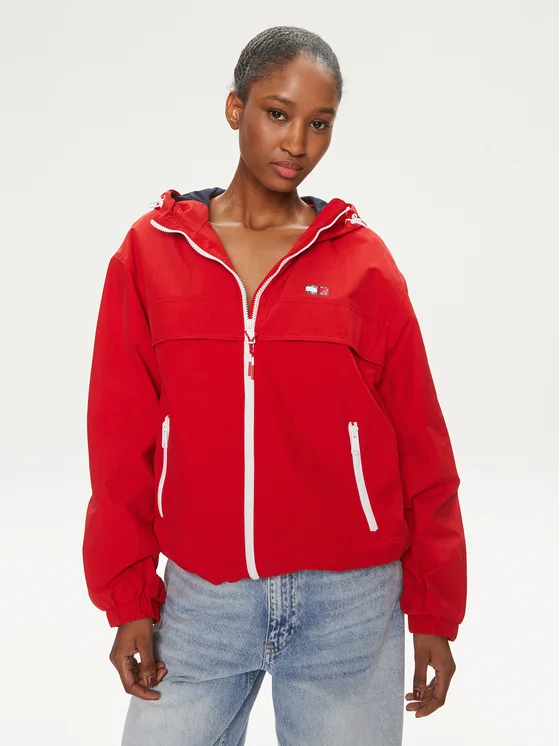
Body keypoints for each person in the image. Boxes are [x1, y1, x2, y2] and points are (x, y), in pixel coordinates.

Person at [82, 25, 467, 746]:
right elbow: (119, 441)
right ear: (235, 108)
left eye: (320, 123)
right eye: (278, 113)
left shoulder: (363, 264)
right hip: (203, 599)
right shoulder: (151, 255)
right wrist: (128, 596)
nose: (297, 142)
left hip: (350, 605)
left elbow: (423, 445)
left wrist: (435, 612)